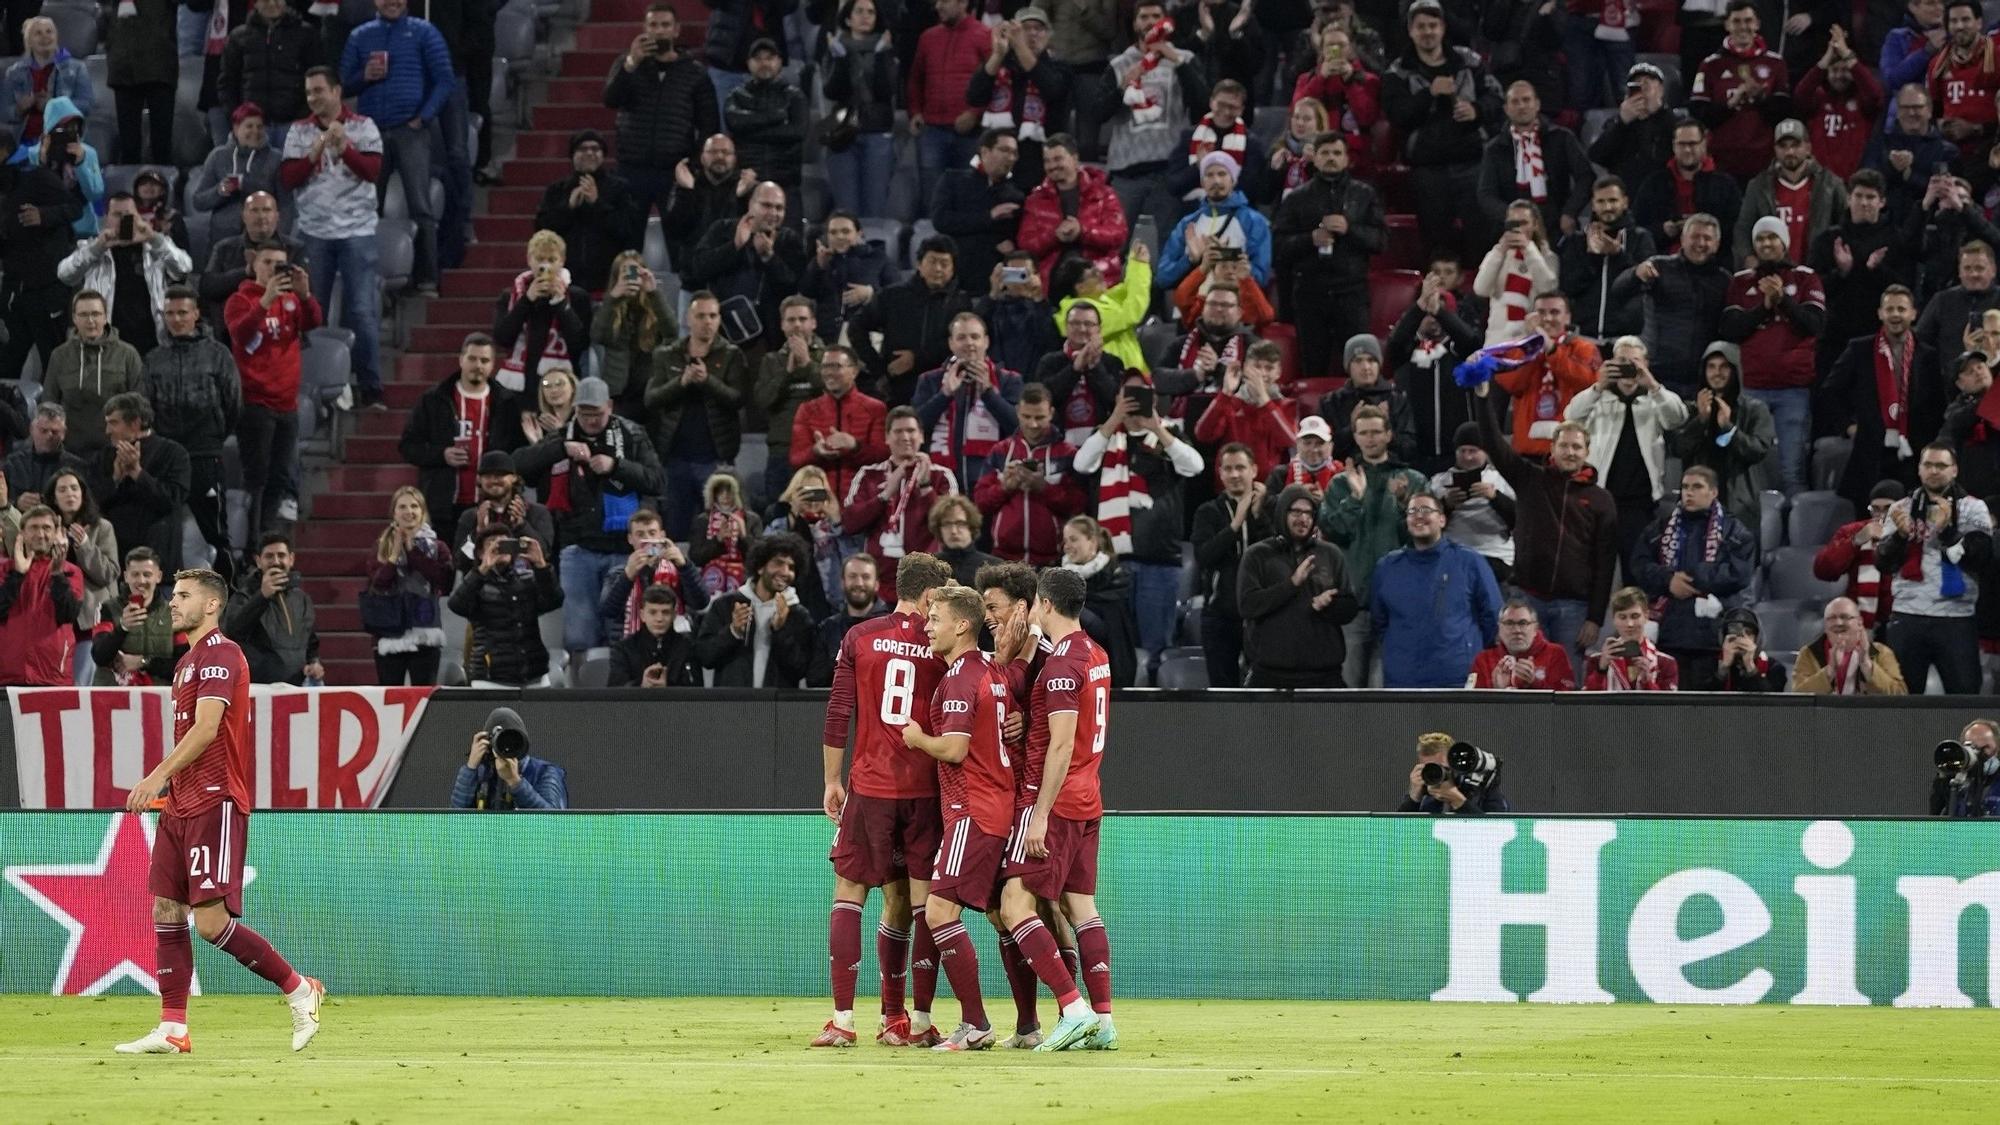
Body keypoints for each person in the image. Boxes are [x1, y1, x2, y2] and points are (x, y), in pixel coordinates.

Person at [114, 568, 323, 1056]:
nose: (173, 603)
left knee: (209, 924)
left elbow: (208, 729)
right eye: (174, 595)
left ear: (211, 605)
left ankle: (299, 988)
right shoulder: (187, 662)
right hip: (181, 804)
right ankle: (172, 1028)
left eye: (183, 596)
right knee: (166, 908)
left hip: (215, 798)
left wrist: (156, 776)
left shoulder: (221, 656)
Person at [813, 549, 952, 1046]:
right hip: (927, 791)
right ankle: (911, 1021)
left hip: (870, 787)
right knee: (917, 905)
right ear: (931, 596)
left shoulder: (861, 636)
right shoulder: (944, 642)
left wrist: (833, 781)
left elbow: (838, 712)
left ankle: (844, 1020)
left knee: (851, 895)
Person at [893, 584, 1011, 1052]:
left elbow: (956, 749)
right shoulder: (991, 670)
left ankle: (977, 1023)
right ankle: (1029, 1024)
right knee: (1003, 916)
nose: (928, 626)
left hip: (972, 810)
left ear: (962, 625)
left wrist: (919, 738)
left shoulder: (962, 676)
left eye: (936, 618)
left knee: (940, 911)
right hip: (995, 805)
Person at [1471, 378, 1618, 674]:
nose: (1571, 452)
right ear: (1552, 449)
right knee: (1521, 686)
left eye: (1577, 447)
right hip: (1526, 601)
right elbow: (1494, 443)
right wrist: (1483, 398)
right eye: (1564, 445)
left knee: (1568, 689)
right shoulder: (1529, 479)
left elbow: (1605, 563)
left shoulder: (1601, 500)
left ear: (1587, 451)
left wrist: (1596, 618)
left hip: (1574, 609)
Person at [514, 376, 665, 660]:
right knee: (579, 635)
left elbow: (657, 481)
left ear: (609, 406)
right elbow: (519, 465)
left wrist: (617, 466)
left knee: (623, 631)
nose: (591, 421)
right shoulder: (564, 436)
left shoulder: (632, 435)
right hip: (577, 549)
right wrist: (560, 449)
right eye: (584, 414)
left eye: (597, 413)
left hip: (623, 549)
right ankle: (580, 698)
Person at [1074, 376, 1204, 683]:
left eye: (1142, 395)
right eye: (1128, 395)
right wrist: (1114, 420)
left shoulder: (1169, 435)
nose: (1134, 402)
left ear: (1154, 399)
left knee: (1156, 648)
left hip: (1159, 562)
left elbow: (1195, 466)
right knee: (1113, 647)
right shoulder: (1104, 436)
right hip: (1111, 566)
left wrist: (1157, 427)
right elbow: (1082, 464)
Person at [281, 67, 385, 408]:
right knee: (314, 310)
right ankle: (317, 387)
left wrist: (344, 150)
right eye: (309, 92)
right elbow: (289, 178)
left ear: (337, 91)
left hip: (357, 231)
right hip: (314, 231)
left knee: (362, 309)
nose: (313, 98)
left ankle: (370, 386)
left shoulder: (364, 126)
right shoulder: (299, 131)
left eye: (319, 91)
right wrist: (313, 154)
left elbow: (372, 172)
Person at [338, 0, 455, 295]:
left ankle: (427, 279)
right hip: (370, 133)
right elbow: (340, 85)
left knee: (420, 206)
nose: (392, 2)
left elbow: (444, 80)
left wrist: (424, 117)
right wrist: (363, 77)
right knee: (366, 208)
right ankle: (366, 278)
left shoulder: (424, 32)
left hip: (410, 131)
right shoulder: (360, 35)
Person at [1318, 404, 1432, 687]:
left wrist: (1406, 504)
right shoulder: (1340, 484)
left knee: (1385, 691)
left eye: (1376, 432)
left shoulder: (1413, 480)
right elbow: (1333, 533)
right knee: (1349, 688)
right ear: (1355, 437)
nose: (1370, 439)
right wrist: (1355, 499)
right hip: (1354, 602)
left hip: (1397, 605)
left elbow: (1425, 540)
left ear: (1389, 435)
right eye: (1364, 433)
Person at [1381, 0, 1502, 259]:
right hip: (1428, 170)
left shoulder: (1469, 60)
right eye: (1421, 26)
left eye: (1433, 25)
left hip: (1473, 164)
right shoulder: (1397, 71)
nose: (1427, 31)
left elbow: (1497, 99)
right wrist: (1429, 94)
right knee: (1437, 245)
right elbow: (1398, 116)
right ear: (1410, 30)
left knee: (1483, 240)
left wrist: (1476, 110)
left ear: (1443, 28)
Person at [1719, 215, 1827, 495]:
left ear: (1784, 242)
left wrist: (1784, 301)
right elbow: (1731, 329)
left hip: (1794, 390)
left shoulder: (1805, 277)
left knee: (1792, 469)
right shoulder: (1741, 282)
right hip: (1753, 389)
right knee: (1750, 470)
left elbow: (1814, 325)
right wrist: (1765, 307)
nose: (1766, 243)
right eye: (1760, 239)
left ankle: (1797, 536)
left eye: (1772, 237)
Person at [1873, 440, 1992, 693]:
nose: (1934, 470)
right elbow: (1883, 564)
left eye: (1941, 465)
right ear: (1919, 469)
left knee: (1964, 701)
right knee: (1902, 702)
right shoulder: (1900, 509)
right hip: (1907, 616)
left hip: (1956, 618)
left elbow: (1982, 559)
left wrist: (1948, 531)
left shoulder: (1973, 508)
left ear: (1954, 470)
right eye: (1928, 464)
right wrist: (1899, 537)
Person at [1631, 466, 1758, 689]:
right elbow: (1639, 565)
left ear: (1714, 492)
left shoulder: (1734, 532)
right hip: (1668, 636)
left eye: (1697, 487)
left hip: (1712, 639)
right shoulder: (1660, 529)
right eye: (1685, 487)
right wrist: (1668, 580)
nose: (1689, 493)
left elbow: (1739, 574)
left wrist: (1693, 577)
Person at [1564, 336, 1690, 559]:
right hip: (1600, 497)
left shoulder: (1655, 398)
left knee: (1636, 566)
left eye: (1634, 361)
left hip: (1640, 502)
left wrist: (1651, 384)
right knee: (1598, 567)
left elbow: (1677, 418)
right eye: (1622, 361)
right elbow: (1571, 416)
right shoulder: (1598, 397)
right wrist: (1598, 386)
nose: (1628, 367)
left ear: (1646, 364)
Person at [1270, 132, 1383, 376]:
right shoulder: (1297, 198)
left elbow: (1380, 241)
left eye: (1336, 153)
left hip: (1352, 294)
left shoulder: (1364, 195)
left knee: (1356, 367)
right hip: (1310, 296)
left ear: (1346, 159)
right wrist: (1309, 239)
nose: (1331, 158)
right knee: (1313, 367)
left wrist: (1349, 229)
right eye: (1325, 153)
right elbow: (1278, 246)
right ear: (1315, 158)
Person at [144, 288, 239, 574]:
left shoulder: (219, 354)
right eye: (170, 313)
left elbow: (234, 403)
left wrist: (213, 437)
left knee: (217, 531)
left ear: (196, 314)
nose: (176, 319)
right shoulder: (153, 358)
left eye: (182, 312)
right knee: (162, 531)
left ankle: (230, 596)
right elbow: (146, 407)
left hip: (206, 453)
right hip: (167, 457)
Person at [1368, 492, 1503, 689]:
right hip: (1403, 680)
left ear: (1442, 519)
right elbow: (1379, 622)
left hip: (1458, 678)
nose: (1418, 516)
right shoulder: (1387, 567)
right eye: (1412, 511)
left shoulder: (1470, 561)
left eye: (1426, 510)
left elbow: (1492, 617)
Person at [1103, 1, 1209, 242]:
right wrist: (1123, 85)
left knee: (1167, 244)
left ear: (1166, 21)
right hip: (1126, 172)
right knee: (1114, 243)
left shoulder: (1185, 58)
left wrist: (1177, 61)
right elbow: (1098, 113)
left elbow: (1202, 105)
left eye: (1155, 16)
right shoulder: (1119, 64)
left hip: (1169, 170)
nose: (1150, 22)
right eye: (1143, 17)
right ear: (1134, 23)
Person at [400, 334, 524, 540]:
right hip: (443, 506)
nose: (478, 365)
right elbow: (408, 447)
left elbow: (516, 452)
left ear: (493, 364)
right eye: (472, 359)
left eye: (484, 360)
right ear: (461, 360)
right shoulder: (434, 400)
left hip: (493, 506)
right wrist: (442, 454)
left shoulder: (507, 403)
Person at [646, 291, 750, 537]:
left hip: (716, 458)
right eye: (701, 315)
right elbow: (651, 399)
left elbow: (738, 399)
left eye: (713, 316)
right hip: (675, 458)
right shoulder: (666, 354)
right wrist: (681, 382)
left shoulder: (732, 355)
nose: (708, 321)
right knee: (676, 528)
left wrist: (707, 381)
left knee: (718, 530)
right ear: (688, 319)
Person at [607, 3, 718, 231]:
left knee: (679, 241)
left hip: (673, 171)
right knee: (628, 241)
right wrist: (631, 63)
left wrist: (693, 165)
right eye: (653, 25)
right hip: (632, 169)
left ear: (676, 30)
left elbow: (709, 124)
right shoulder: (627, 64)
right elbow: (611, 99)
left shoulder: (695, 73)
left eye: (665, 25)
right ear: (645, 28)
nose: (659, 31)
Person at [1235, 483, 1360, 687]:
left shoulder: (1331, 554)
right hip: (1270, 675)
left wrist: (1330, 604)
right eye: (1296, 512)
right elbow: (1248, 605)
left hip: (1324, 675)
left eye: (1309, 513)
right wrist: (1291, 584)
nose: (1303, 518)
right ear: (1283, 512)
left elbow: (1350, 608)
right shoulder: (1258, 555)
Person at [1824, 286, 1937, 508]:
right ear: (1880, 313)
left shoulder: (1928, 354)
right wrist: (1848, 426)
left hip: (1913, 451)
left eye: (1901, 309)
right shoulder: (1860, 349)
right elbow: (1830, 392)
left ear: (1913, 313)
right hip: (1871, 450)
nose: (1895, 314)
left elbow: (1936, 402)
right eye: (1890, 309)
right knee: (1869, 519)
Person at [55, 192, 195, 358]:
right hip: (107, 345)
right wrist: (98, 247)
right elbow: (65, 274)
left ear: (138, 217)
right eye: (117, 215)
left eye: (129, 215)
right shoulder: (93, 248)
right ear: (107, 218)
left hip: (152, 342)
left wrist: (153, 237)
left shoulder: (154, 247)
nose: (123, 220)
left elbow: (184, 268)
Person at [0, 111, 87, 377]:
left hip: (47, 285)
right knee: (9, 358)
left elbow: (75, 207)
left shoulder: (35, 176)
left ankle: (56, 415)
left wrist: (44, 216)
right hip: (14, 287)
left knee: (54, 358)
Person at [845, 406, 960, 603]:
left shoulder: (941, 476)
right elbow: (850, 522)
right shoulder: (868, 474)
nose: (905, 437)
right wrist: (884, 495)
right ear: (887, 437)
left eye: (911, 431)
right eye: (898, 431)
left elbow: (949, 527)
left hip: (925, 585)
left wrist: (925, 488)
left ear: (922, 436)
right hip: (878, 585)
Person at [1612, 212, 1733, 394]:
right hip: (1657, 373)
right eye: (1695, 237)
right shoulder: (1659, 266)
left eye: (1707, 238)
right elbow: (1618, 292)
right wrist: (1636, 274)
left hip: (1703, 380)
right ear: (1683, 239)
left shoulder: (1724, 280)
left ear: (1716, 245)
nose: (1700, 243)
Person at [850, 235, 977, 405]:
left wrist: (917, 359)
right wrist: (878, 369)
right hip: (896, 387)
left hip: (945, 387)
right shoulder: (892, 296)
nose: (938, 269)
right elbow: (856, 328)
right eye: (932, 261)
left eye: (944, 264)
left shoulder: (962, 302)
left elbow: (962, 344)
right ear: (919, 264)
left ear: (953, 268)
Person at [1188, 441, 1270, 686]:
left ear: (1254, 470)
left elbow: (1274, 555)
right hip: (1220, 615)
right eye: (1228, 469)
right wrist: (1235, 524)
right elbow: (1204, 556)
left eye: (1241, 468)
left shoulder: (1270, 506)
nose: (1235, 475)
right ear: (1220, 473)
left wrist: (1257, 516)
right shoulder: (1207, 512)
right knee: (1222, 692)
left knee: (1264, 689)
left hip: (1263, 615)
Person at [911, 312, 1022, 492]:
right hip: (940, 481)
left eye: (975, 337)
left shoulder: (1008, 380)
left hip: (991, 481)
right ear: (951, 343)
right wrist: (944, 394)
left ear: (986, 341)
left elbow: (1018, 428)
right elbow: (916, 427)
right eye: (961, 337)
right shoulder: (930, 380)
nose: (969, 343)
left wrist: (988, 393)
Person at [973, 383, 1079, 566]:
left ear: (1051, 413)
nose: (1033, 424)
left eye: (1040, 417)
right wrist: (1005, 488)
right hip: (1003, 560)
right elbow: (979, 503)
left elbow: (1078, 505)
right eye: (1026, 416)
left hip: (1052, 561)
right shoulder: (1000, 452)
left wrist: (1043, 488)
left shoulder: (1067, 454)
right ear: (1017, 411)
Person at [1689, 0, 1795, 182]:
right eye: (1737, 21)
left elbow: (1783, 113)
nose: (1743, 27)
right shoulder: (1710, 65)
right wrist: (1731, 104)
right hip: (1721, 162)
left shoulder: (1775, 63)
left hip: (1763, 163)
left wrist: (1759, 98)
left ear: (1757, 24)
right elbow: (1699, 113)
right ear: (1727, 25)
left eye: (1748, 21)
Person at [1477, 81, 1594, 243]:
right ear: (1506, 109)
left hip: (1557, 227)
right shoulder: (1495, 149)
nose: (1521, 106)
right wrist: (1512, 216)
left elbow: (1586, 177)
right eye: (1515, 102)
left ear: (1537, 104)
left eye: (1526, 100)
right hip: (1512, 231)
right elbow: (1486, 194)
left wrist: (1570, 212)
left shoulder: (1562, 138)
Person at [695, 532, 814, 687]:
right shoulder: (725, 605)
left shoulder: (799, 615)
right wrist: (733, 631)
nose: (785, 572)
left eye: (791, 567)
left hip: (777, 708)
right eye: (778, 563)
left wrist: (780, 631)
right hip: (733, 706)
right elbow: (705, 657)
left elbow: (801, 669)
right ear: (760, 567)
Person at [908, 0, 993, 216]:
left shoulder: (984, 35)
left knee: (967, 196)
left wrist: (975, 114)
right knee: (932, 198)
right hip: (932, 131)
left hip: (970, 134)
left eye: (944, 1)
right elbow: (915, 79)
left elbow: (996, 82)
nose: (937, 6)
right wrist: (915, 111)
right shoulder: (927, 38)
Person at [1015, 133, 1127, 294]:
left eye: (1058, 159)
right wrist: (1054, 236)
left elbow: (1118, 235)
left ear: (1075, 159)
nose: (1052, 165)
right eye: (1047, 161)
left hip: (1098, 281)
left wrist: (1083, 231)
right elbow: (1025, 244)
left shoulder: (1104, 193)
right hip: (1051, 284)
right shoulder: (1035, 200)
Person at [450, 525, 561, 687]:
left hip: (534, 674)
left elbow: (554, 601)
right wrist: (482, 570)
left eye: (505, 543)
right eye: (492, 543)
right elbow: (457, 605)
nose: (499, 547)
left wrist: (541, 565)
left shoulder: (528, 578)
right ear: (481, 553)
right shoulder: (475, 582)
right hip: (490, 676)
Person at [89, 394, 192, 567]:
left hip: (159, 561)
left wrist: (137, 473)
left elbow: (172, 500)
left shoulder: (174, 453)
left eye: (113, 423)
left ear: (135, 423)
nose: (107, 431)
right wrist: (115, 478)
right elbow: (91, 503)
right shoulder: (104, 456)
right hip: (115, 561)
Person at [532, 130, 639, 295]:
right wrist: (568, 207)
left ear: (603, 155)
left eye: (595, 149)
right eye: (582, 148)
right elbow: (542, 231)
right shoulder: (557, 190)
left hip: (609, 283)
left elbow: (628, 230)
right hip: (564, 282)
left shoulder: (620, 189)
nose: (589, 153)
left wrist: (598, 204)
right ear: (573, 155)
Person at [819, 0, 899, 218]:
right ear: (848, 18)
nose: (865, 16)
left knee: (874, 207)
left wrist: (882, 55)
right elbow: (832, 91)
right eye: (859, 11)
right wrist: (841, 59)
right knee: (846, 210)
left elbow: (886, 92)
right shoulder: (836, 47)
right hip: (844, 134)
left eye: (871, 12)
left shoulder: (885, 49)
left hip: (877, 133)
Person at [365, 486, 453, 686]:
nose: (409, 511)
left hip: (426, 629)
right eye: (402, 506)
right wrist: (395, 554)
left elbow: (443, 581)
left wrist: (412, 550)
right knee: (390, 698)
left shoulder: (438, 547)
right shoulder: (381, 546)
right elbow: (378, 584)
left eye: (414, 506)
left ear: (423, 511)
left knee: (424, 697)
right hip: (389, 632)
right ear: (394, 512)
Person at [1733, 119, 1848, 266]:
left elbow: (1844, 226)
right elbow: (1743, 228)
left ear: (1808, 147)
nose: (1789, 152)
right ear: (1775, 149)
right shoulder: (1758, 186)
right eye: (1783, 146)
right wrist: (1748, 257)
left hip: (1817, 274)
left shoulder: (1831, 185)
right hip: (1773, 274)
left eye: (1795, 145)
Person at [44, 290, 144, 458]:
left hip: (116, 451)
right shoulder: (59, 356)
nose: (90, 321)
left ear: (105, 317)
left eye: (96, 314)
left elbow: (139, 406)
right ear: (75, 319)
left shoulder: (128, 354)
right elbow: (49, 404)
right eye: (83, 315)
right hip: (69, 453)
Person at [492, 230, 592, 394]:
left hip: (562, 387)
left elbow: (580, 343)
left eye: (552, 260)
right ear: (529, 260)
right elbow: (503, 338)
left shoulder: (577, 297)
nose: (545, 266)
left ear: (562, 261)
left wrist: (560, 303)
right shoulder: (511, 296)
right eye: (539, 259)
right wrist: (526, 301)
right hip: (519, 386)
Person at [1157, 151, 1273, 292]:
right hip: (1192, 308)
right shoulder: (1187, 224)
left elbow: (1262, 277)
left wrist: (1233, 265)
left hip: (1236, 308)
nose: (1216, 181)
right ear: (1202, 182)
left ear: (1234, 180)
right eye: (1209, 175)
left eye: (1222, 174)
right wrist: (1189, 260)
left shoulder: (1254, 222)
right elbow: (1162, 278)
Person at [1559, 177, 1657, 343]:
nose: (1607, 207)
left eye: (1613, 200)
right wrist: (1593, 258)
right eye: (1601, 201)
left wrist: (1618, 255)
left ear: (1625, 202)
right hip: (1583, 338)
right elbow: (1568, 287)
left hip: (1625, 340)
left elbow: (1645, 285)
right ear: (1593, 205)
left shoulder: (1641, 238)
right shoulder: (1576, 241)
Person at [220, 0, 324, 147]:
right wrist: (238, 118)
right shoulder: (238, 37)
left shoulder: (306, 34)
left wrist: (302, 118)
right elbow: (227, 83)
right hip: (253, 126)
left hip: (293, 125)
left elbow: (317, 78)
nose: (272, 3)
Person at [792, 345, 890, 502]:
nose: (829, 372)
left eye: (836, 366)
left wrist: (855, 446)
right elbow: (795, 459)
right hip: (819, 502)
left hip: (862, 502)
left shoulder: (875, 409)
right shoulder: (807, 410)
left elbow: (884, 456)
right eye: (825, 367)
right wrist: (815, 452)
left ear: (854, 371)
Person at [0, 505, 84, 685]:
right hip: (9, 677)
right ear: (21, 533)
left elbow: (67, 614)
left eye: (46, 528)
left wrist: (57, 575)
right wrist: (18, 575)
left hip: (53, 678)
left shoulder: (71, 572)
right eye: (34, 528)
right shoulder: (4, 570)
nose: (40, 534)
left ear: (55, 534)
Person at [1632, 119, 1745, 253]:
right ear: (1674, 146)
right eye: (1681, 144)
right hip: (1663, 260)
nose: (1687, 149)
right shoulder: (1654, 183)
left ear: (1704, 144)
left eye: (1692, 144)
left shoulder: (1724, 184)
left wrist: (1704, 230)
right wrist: (1663, 230)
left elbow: (1737, 226)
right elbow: (1637, 226)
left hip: (1714, 262)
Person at [225, 532, 321, 685]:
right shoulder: (243, 596)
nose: (276, 561)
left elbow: (311, 642)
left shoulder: (302, 599)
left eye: (281, 555)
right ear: (258, 561)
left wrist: (314, 662)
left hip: (297, 689)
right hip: (260, 691)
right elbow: (232, 632)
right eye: (269, 556)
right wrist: (262, 596)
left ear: (291, 559)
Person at [1193, 340, 1297, 477]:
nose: (1262, 374)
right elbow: (1203, 434)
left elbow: (1290, 441)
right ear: (1245, 368)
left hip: (1270, 488)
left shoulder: (1286, 405)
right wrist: (1225, 393)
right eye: (1257, 367)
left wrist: (1264, 401)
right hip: (1231, 483)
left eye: (1269, 368)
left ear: (1278, 372)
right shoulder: (1229, 402)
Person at [725, 39, 808, 207]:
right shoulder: (736, 96)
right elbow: (734, 122)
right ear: (748, 63)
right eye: (758, 59)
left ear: (779, 61)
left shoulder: (794, 96)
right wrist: (776, 117)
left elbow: (797, 132)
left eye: (769, 58)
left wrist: (750, 131)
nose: (764, 63)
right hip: (748, 182)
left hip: (786, 182)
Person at [1051, 245, 1154, 379]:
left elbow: (1129, 290)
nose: (1100, 275)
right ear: (1080, 287)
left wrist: (1135, 262)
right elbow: (1132, 313)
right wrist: (1140, 265)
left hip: (1129, 372)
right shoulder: (1081, 313)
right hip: (1111, 376)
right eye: (1093, 274)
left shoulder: (1102, 299)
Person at [1058, 514, 1138, 687]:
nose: (1067, 546)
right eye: (1065, 541)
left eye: (1074, 539)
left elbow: (1110, 630)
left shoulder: (1117, 578)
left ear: (1092, 542)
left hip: (1110, 666)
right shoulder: (1058, 580)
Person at [1795, 28, 1883, 182]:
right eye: (1834, 70)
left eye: (1845, 70)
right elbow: (1800, 94)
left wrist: (1847, 54)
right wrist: (1826, 58)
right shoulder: (1819, 98)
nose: (1839, 76)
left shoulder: (1863, 101)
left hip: (1853, 182)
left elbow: (1875, 94)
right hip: (1820, 182)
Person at [1431, 422, 1515, 582]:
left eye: (1473, 451)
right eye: (1462, 451)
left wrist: (1496, 498)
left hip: (1495, 555)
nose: (1467, 457)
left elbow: (1520, 521)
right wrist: (1445, 505)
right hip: (1453, 553)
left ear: (1486, 452)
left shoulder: (1503, 479)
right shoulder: (1438, 482)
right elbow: (1425, 524)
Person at [1813, 480, 1904, 628]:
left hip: (1905, 620)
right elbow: (1823, 570)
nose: (1881, 516)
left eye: (1888, 509)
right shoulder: (1854, 531)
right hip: (1862, 624)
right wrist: (1855, 541)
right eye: (1875, 509)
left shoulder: (1914, 533)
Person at [800, 211, 896, 350]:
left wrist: (870, 294)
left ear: (859, 233)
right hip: (826, 337)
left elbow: (896, 295)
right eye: (833, 232)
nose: (839, 236)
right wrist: (818, 266)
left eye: (846, 231)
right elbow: (806, 292)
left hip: (865, 335)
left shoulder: (878, 258)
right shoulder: (822, 260)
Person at [1473, 202, 1560, 348]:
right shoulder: (1496, 254)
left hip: (1531, 343)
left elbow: (1548, 291)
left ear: (1535, 225)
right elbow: (1480, 289)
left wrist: (1528, 249)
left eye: (1523, 223)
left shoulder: (1548, 257)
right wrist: (1500, 251)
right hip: (1496, 342)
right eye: (1513, 223)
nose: (1518, 228)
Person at [90, 546, 181, 686]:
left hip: (159, 700)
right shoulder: (107, 609)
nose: (141, 580)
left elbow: (184, 666)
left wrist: (143, 662)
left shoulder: (175, 613)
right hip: (114, 700)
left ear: (159, 577)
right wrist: (122, 627)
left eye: (147, 574)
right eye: (135, 574)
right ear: (126, 577)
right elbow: (99, 656)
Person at [1319, 333, 1415, 462]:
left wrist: (1387, 427)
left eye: (1371, 360)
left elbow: (1409, 451)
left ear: (1379, 365)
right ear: (1348, 366)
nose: (1366, 367)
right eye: (1358, 361)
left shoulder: (1398, 400)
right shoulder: (1330, 402)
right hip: (1346, 473)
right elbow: (1322, 452)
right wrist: (1351, 429)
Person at [104, 0, 178, 166]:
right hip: (124, 67)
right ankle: (129, 189)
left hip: (159, 65)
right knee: (129, 146)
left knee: (162, 145)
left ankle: (163, 187)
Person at [663, 133, 753, 269]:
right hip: (693, 276)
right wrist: (688, 192)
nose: (719, 157)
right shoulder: (689, 184)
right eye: (713, 152)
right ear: (702, 158)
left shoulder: (746, 188)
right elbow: (675, 232)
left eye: (726, 152)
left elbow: (740, 238)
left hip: (732, 276)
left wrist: (739, 198)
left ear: (735, 159)